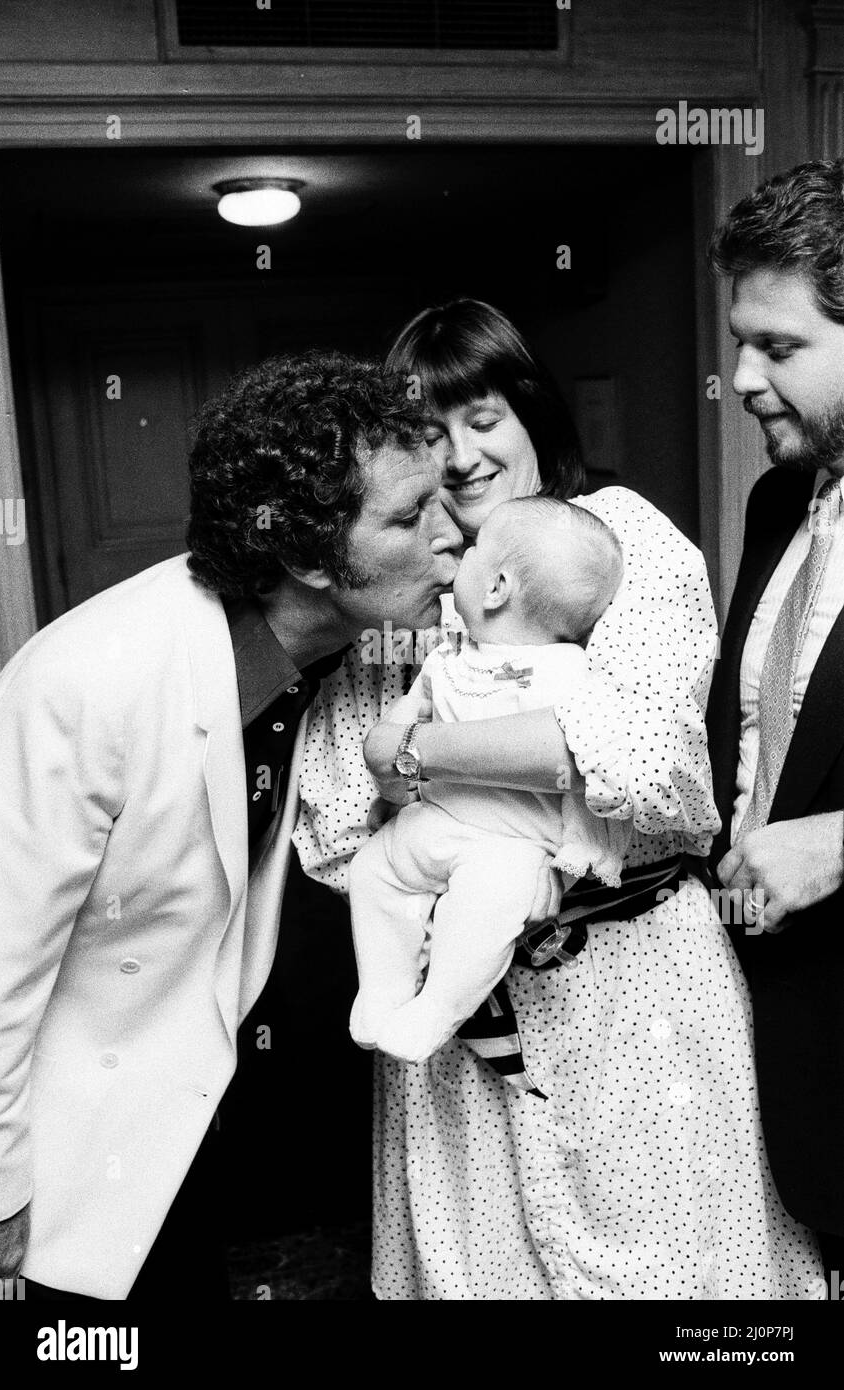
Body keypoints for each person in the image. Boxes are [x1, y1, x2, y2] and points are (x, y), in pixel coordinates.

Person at [294, 299, 825, 1299]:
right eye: (424, 431)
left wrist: (419, 758)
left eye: (481, 415)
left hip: (633, 983)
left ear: (530, 412)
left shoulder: (615, 543)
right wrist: (454, 785)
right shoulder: (402, 591)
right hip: (460, 1020)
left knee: (677, 1281)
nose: (457, 455)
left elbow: (626, 757)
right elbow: (335, 818)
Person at [0, 350, 462, 1300]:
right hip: (58, 1160)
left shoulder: (356, 657)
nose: (453, 534)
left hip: (190, 1132)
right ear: (303, 556)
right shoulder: (89, 680)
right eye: (410, 517)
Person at [349, 496, 628, 1064]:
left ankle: (436, 1009)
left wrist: (570, 863)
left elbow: (586, 773)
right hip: (435, 820)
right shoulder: (449, 657)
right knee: (372, 871)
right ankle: (385, 986)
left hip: (510, 846)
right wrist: (392, 788)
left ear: (497, 588)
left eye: (473, 551)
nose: (458, 558)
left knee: (479, 918)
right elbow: (407, 720)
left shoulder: (566, 673)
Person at [706, 158, 844, 1285]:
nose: (741, 375)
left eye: (780, 348)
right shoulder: (773, 498)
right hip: (780, 1026)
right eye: (739, 341)